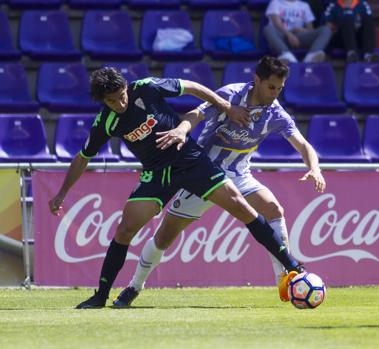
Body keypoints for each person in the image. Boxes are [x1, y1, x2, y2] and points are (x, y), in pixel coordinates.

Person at [48, 67, 306, 309]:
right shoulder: (106, 122)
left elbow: (192, 87)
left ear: (126, 87)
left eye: (121, 96)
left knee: (242, 208)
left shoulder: (147, 87)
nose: (120, 103)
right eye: (112, 101)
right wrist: (62, 193)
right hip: (157, 174)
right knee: (126, 229)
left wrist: (227, 107)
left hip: (190, 160)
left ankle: (293, 268)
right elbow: (83, 157)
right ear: (103, 101)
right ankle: (101, 296)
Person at [112, 56, 326, 307]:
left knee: (273, 209)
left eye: (280, 88)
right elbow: (196, 114)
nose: (275, 93)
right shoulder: (231, 95)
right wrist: (182, 130)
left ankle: (286, 277)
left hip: (240, 174)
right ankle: (134, 286)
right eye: (271, 87)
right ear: (256, 80)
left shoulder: (275, 113)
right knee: (164, 237)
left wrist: (315, 168)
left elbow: (302, 144)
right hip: (204, 173)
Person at [263, 0, 333, 64]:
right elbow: (276, 23)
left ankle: (311, 57)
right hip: (281, 38)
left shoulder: (304, 5)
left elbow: (310, 29)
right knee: (268, 29)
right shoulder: (275, 2)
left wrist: (300, 30)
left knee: (326, 30)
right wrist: (289, 34)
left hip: (298, 38)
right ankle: (287, 55)